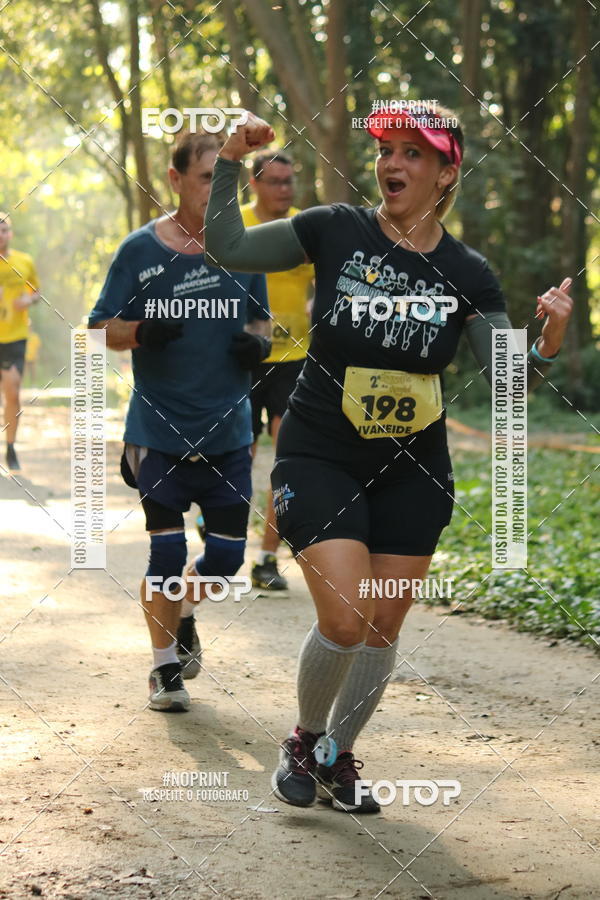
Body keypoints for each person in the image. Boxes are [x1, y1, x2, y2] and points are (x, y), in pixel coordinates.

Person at [204, 105, 573, 812]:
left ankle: (336, 759)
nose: (392, 164)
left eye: (413, 153)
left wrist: (545, 341)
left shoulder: (468, 270)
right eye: (387, 150)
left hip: (414, 467)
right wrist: (227, 162)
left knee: (380, 624)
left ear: (446, 172)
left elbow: (507, 381)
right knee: (343, 619)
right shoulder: (334, 228)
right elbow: (228, 246)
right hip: (319, 449)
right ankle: (305, 740)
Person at [89, 131, 270, 712]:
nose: (219, 190)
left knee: (223, 561)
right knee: (165, 556)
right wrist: (140, 331)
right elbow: (97, 329)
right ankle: (164, 668)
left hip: (228, 434)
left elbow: (263, 325)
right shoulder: (140, 251)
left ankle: (185, 612)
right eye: (205, 178)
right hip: (158, 432)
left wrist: (258, 348)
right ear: (175, 180)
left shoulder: (245, 248)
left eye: (228, 180)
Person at [241, 151, 314, 592]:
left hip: (295, 361)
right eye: (276, 182)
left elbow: (330, 281)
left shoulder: (308, 227)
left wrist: (317, 309)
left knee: (286, 463)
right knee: (239, 457)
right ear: (254, 183)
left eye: (290, 181)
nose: (285, 190)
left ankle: (267, 559)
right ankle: (220, 527)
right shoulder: (236, 224)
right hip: (243, 359)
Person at [0, 212, 41, 471]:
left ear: (10, 234)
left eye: (4, 230)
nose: (1, 235)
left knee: (13, 392)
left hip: (15, 337)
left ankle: (11, 447)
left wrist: (28, 300)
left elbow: (36, 290)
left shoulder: (24, 262)